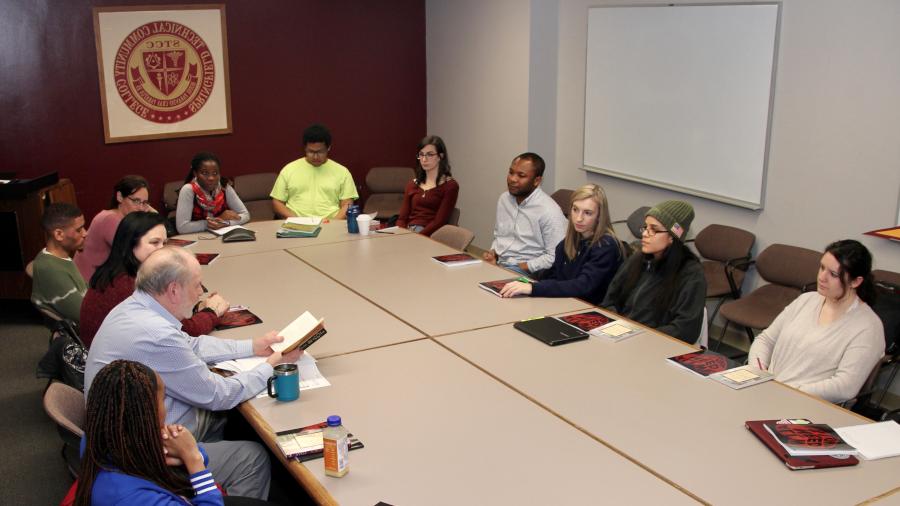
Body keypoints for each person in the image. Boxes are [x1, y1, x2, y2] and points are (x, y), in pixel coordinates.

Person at [85, 247, 300, 499]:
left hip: (117, 438)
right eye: (198, 285)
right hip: (146, 452)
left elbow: (191, 344)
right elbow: (219, 395)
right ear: (174, 290)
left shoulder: (136, 307)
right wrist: (272, 365)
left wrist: (253, 346)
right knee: (251, 457)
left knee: (229, 418)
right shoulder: (157, 335)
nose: (201, 293)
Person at [748, 240, 885, 403]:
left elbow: (845, 387)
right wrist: (759, 372)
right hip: (769, 392)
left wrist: (787, 392)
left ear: (856, 282)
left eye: (833, 274)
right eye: (822, 267)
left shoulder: (868, 327)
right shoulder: (807, 300)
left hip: (805, 405)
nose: (822, 277)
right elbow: (766, 340)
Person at [75, 360, 225, 505]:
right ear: (147, 413)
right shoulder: (134, 499)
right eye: (163, 399)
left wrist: (187, 454)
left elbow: (200, 456)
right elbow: (198, 461)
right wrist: (192, 459)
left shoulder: (108, 436)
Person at [79, 212, 230, 347]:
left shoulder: (117, 272)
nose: (162, 250)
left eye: (164, 243)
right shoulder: (130, 285)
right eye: (154, 242)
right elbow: (184, 331)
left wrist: (195, 307)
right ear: (131, 244)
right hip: (116, 371)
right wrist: (212, 311)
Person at [499, 184, 624, 305]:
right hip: (566, 302)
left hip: (589, 309)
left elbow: (583, 285)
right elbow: (553, 275)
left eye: (587, 213)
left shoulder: (606, 246)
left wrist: (532, 288)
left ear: (599, 216)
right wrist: (524, 283)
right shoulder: (569, 241)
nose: (578, 218)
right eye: (575, 210)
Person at [601, 200, 706, 343]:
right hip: (620, 337)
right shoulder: (637, 260)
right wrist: (617, 326)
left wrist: (638, 335)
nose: (645, 234)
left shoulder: (691, 275)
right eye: (645, 227)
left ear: (672, 237)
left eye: (654, 230)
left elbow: (685, 330)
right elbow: (609, 301)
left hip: (654, 346)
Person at [482, 152, 567, 275]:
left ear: (537, 181)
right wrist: (493, 252)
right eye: (511, 172)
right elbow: (499, 235)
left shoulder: (549, 211)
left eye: (521, 175)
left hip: (528, 270)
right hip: (500, 263)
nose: (512, 179)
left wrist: (523, 266)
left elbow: (554, 256)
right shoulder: (504, 199)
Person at [270, 123, 358, 219]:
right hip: (296, 224)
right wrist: (295, 220)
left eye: (320, 152)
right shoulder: (289, 170)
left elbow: (347, 203)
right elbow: (277, 202)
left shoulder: (342, 172)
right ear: (304, 148)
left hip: (330, 223)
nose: (315, 157)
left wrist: (334, 223)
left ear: (328, 148)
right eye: (311, 151)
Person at [75, 175, 151, 281]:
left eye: (144, 203)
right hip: (90, 283)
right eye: (136, 201)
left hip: (106, 276)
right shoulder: (109, 219)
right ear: (119, 196)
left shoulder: (126, 219)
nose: (141, 208)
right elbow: (136, 253)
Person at [31, 203, 88, 322]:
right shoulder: (50, 269)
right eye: (79, 230)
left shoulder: (60, 259)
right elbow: (84, 315)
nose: (85, 233)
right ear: (59, 234)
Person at [396, 135, 459, 236]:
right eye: (421, 154)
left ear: (440, 156)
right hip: (409, 232)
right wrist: (401, 234)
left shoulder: (450, 186)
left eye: (430, 155)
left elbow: (439, 222)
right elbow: (402, 219)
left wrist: (417, 237)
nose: (424, 159)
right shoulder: (412, 184)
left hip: (431, 234)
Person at [176, 152, 250, 234]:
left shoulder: (224, 186)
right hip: (197, 239)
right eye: (205, 173)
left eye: (215, 173)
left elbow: (245, 215)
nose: (211, 178)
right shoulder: (188, 190)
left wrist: (225, 223)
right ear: (195, 173)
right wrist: (217, 220)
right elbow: (182, 227)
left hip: (222, 238)